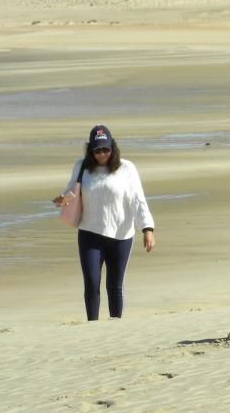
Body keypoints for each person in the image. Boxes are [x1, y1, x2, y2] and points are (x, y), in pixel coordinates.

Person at [53, 125, 155, 321]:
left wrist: (147, 228)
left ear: (113, 148)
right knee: (91, 282)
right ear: (91, 150)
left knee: (114, 285)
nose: (102, 154)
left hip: (121, 236)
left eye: (106, 149)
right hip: (90, 233)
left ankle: (116, 325)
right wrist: (62, 199)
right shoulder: (82, 166)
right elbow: (71, 191)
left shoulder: (127, 168)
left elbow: (137, 200)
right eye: (97, 150)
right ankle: (93, 325)